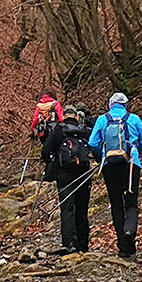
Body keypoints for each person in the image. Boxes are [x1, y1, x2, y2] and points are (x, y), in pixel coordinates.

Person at [89, 91, 142, 259]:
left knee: (116, 204)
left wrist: (100, 156)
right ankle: (129, 234)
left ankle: (122, 245)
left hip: (110, 165)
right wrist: (138, 152)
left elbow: (92, 143)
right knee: (131, 203)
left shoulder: (103, 120)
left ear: (110, 105)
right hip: (131, 165)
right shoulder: (134, 119)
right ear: (125, 105)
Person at [39, 102, 94, 254]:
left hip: (64, 174)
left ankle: (69, 243)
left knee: (67, 208)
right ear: (77, 116)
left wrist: (52, 164)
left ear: (64, 116)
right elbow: (94, 146)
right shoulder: (84, 131)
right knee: (82, 209)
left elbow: (45, 151)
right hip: (84, 173)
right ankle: (83, 243)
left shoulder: (58, 130)